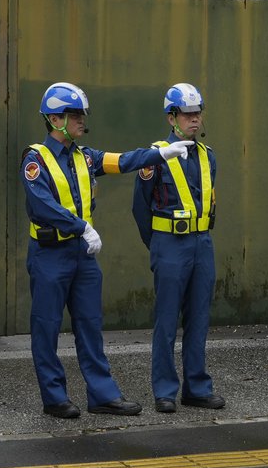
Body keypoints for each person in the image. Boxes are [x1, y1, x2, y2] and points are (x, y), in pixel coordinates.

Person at [22, 82, 193, 419]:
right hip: (50, 254)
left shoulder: (85, 157)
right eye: (75, 115)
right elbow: (41, 204)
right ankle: (54, 398)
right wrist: (80, 227)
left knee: (90, 325)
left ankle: (102, 395)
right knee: (46, 327)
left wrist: (160, 154)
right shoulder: (35, 160)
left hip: (82, 256)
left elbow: (123, 161)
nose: (83, 120)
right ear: (55, 119)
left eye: (83, 114)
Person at [132, 83, 225, 414]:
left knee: (199, 318)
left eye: (197, 113)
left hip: (201, 243)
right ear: (172, 118)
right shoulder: (154, 156)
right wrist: (157, 244)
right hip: (169, 243)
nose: (194, 119)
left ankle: (197, 388)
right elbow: (140, 209)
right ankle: (165, 391)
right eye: (187, 114)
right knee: (167, 320)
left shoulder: (207, 156)